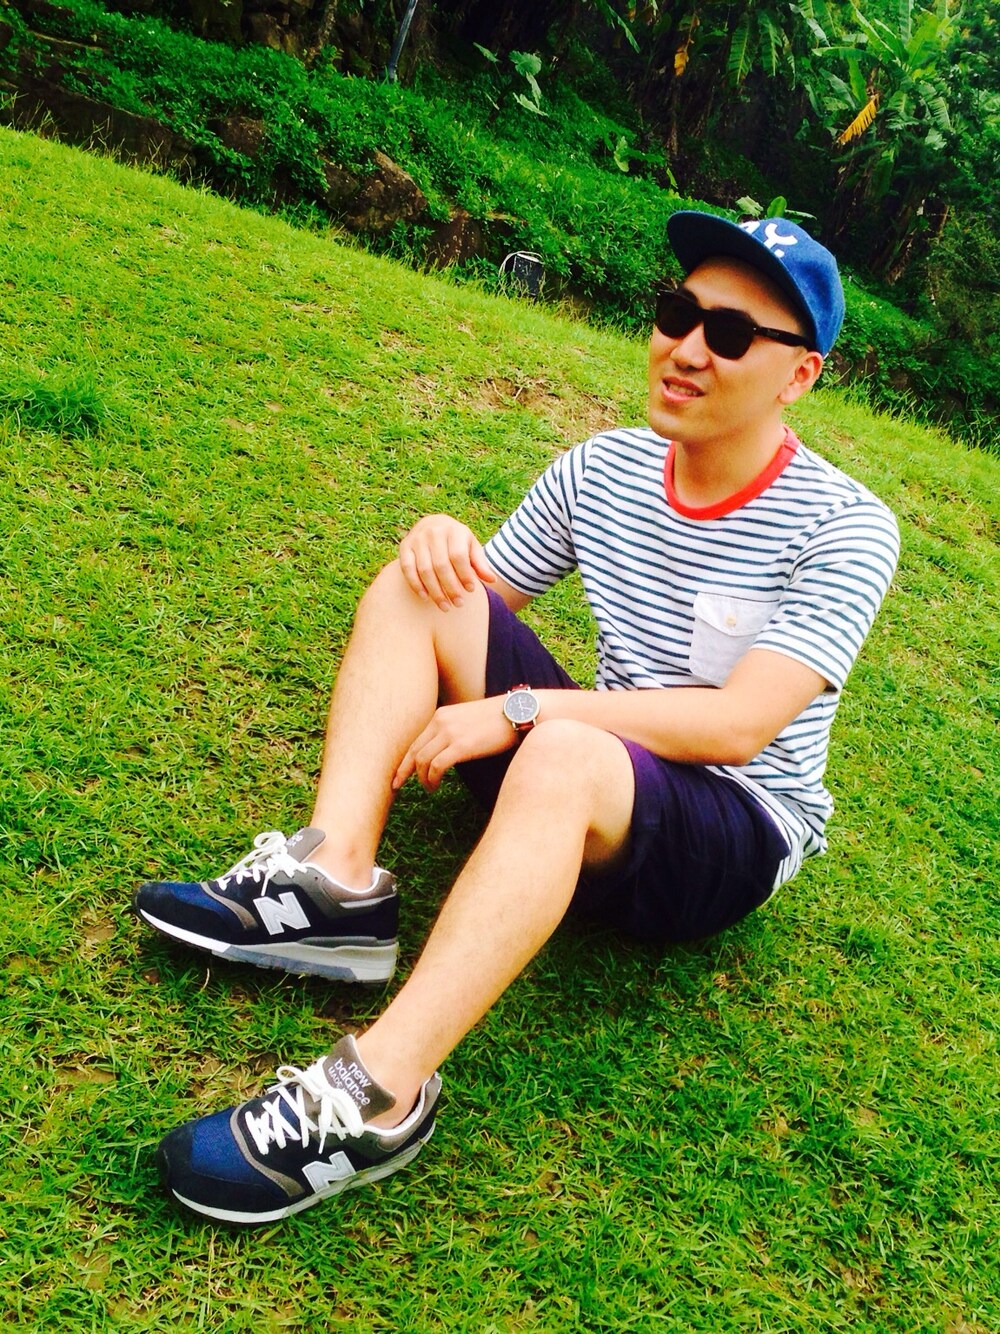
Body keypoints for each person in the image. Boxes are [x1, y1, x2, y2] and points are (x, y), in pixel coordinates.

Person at [133, 211, 900, 1226]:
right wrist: (440, 542)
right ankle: (336, 884)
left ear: (800, 375)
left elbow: (738, 727)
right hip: (596, 772)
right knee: (417, 584)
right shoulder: (603, 469)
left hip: (728, 827)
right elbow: (473, 598)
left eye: (727, 333)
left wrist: (520, 708)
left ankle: (375, 1094)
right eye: (677, 313)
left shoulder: (847, 526)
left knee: (568, 749)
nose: (685, 348)